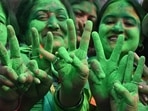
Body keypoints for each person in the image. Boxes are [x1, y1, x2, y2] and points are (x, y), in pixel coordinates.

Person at [88, 0, 148, 110]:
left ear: (141, 38)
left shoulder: (146, 83)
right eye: (110, 21)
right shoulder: (81, 72)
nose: (118, 28)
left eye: (129, 23)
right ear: (97, 30)